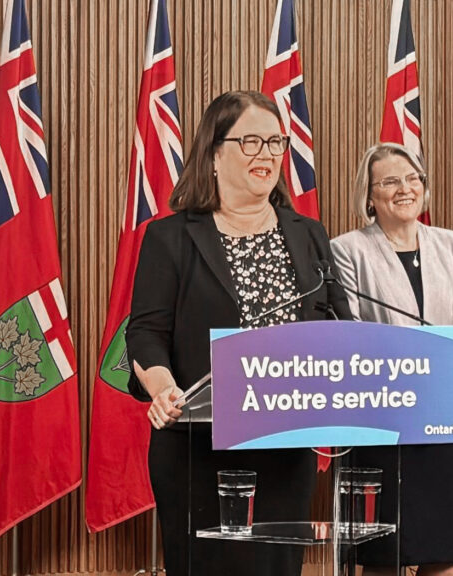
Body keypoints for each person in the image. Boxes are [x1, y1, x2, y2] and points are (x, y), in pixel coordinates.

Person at [126, 90, 352, 576]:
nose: (267, 154)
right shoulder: (170, 237)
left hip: (285, 446)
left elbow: (338, 323)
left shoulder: (309, 232)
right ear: (213, 154)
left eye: (276, 143)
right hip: (197, 449)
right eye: (251, 142)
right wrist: (164, 391)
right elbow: (145, 333)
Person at [331, 143, 453, 576]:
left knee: (442, 547)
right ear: (369, 197)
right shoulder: (347, 249)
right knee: (382, 551)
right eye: (389, 181)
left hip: (448, 412)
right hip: (382, 417)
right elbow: (350, 327)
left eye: (412, 179)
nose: (404, 189)